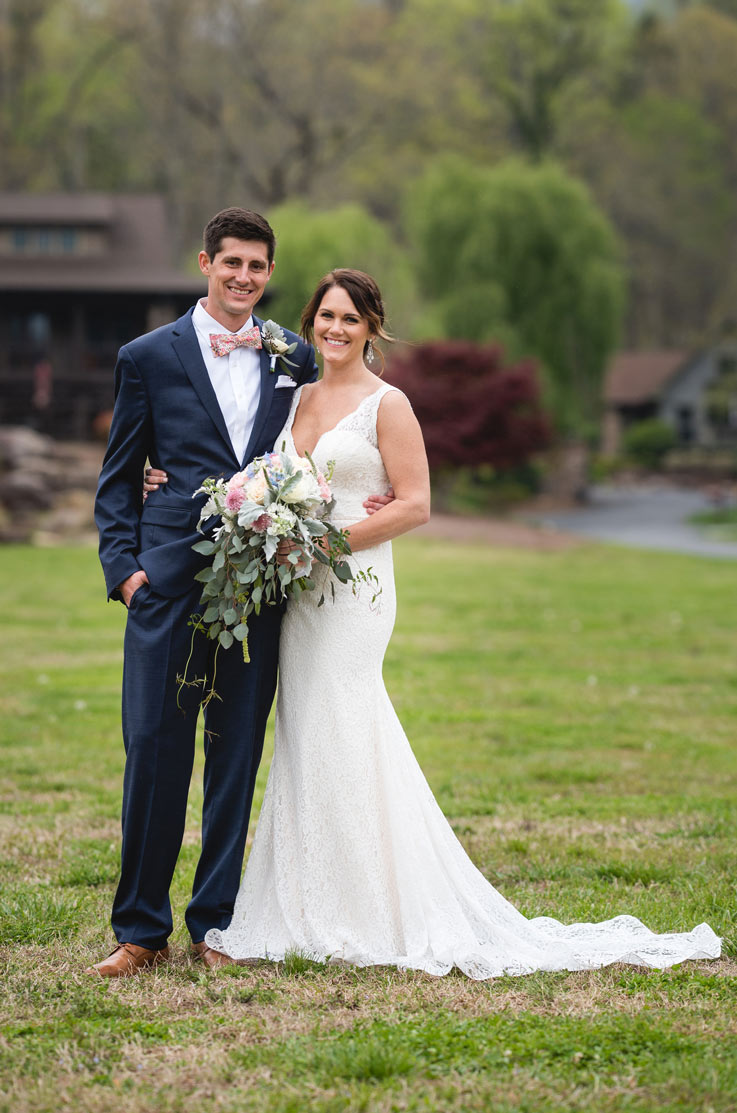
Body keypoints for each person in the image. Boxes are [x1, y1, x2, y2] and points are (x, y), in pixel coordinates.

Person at [148, 269, 720, 978]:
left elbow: (415, 503)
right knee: (306, 730)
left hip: (354, 590)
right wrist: (172, 479)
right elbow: (241, 461)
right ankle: (310, 897)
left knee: (345, 715)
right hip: (295, 596)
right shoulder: (289, 398)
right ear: (309, 321)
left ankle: (371, 908)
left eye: (350, 319)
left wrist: (323, 542)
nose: (334, 329)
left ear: (371, 328)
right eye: (325, 316)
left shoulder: (389, 404)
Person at [91, 211, 391, 978]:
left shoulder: (294, 355)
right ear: (205, 262)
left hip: (258, 588)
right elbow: (121, 472)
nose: (243, 278)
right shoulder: (146, 356)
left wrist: (373, 502)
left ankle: (215, 922)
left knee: (235, 754)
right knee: (154, 752)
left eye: (257, 267)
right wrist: (125, 569)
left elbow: (330, 439)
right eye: (231, 263)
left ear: (267, 273)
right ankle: (139, 929)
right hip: (163, 581)